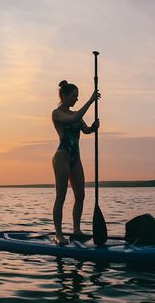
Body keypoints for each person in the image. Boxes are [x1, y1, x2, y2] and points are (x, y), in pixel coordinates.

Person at [51, 80, 100, 245]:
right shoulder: (57, 113)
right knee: (61, 197)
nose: (76, 99)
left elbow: (84, 130)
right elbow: (75, 117)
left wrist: (93, 127)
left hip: (75, 158)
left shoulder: (75, 113)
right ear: (64, 96)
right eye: (74, 96)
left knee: (80, 196)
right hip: (62, 157)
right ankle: (58, 235)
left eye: (77, 96)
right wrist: (91, 100)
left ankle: (76, 230)